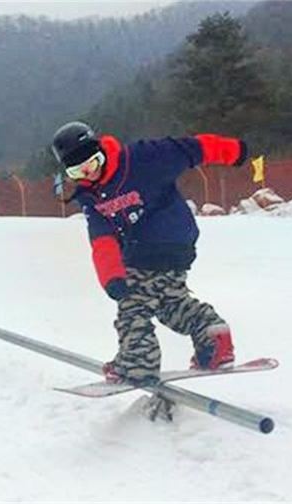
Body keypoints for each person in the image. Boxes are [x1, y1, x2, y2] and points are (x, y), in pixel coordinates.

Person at [51, 121, 247, 385]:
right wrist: (111, 277)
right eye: (78, 171)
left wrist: (233, 151)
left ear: (102, 151)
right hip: (167, 248)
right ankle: (212, 335)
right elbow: (102, 238)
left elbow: (190, 148)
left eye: (94, 163)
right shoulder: (90, 195)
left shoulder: (141, 159)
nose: (89, 174)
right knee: (168, 301)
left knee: (134, 304)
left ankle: (137, 363)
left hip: (162, 239)